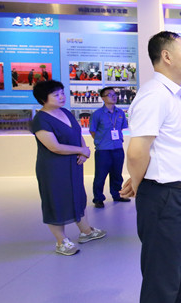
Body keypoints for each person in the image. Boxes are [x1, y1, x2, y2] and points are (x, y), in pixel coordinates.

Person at [119, 31, 181, 303]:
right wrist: (138, 182)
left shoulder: (172, 94)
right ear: (166, 56)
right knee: (162, 281)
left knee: (176, 273)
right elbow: (136, 152)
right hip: (165, 198)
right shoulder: (154, 95)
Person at [30, 80, 106, 256]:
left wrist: (84, 151)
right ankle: (61, 241)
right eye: (56, 94)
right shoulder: (40, 120)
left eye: (62, 93)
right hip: (53, 168)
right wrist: (81, 150)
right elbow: (54, 147)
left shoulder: (64, 112)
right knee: (56, 200)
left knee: (78, 196)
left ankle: (86, 231)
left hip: (74, 165)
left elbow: (77, 134)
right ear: (43, 98)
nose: (61, 97)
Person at [89, 87, 130, 208]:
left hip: (118, 148)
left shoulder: (120, 113)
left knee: (117, 174)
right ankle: (98, 198)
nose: (114, 96)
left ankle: (117, 195)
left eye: (114, 94)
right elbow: (93, 131)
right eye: (110, 95)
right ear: (103, 98)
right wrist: (101, 141)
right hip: (103, 150)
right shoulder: (97, 114)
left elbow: (121, 128)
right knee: (100, 176)